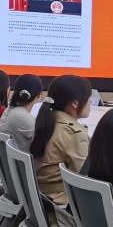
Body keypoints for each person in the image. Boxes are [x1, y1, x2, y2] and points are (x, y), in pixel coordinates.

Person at [30, 75, 92, 206]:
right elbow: (86, 179)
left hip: (42, 198)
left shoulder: (48, 121)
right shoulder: (74, 133)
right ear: (75, 103)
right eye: (88, 98)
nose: (90, 102)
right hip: (63, 203)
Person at [0, 74, 43, 152]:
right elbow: (45, 142)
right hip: (22, 159)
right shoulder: (22, 116)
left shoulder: (11, 110)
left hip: (11, 158)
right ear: (39, 96)